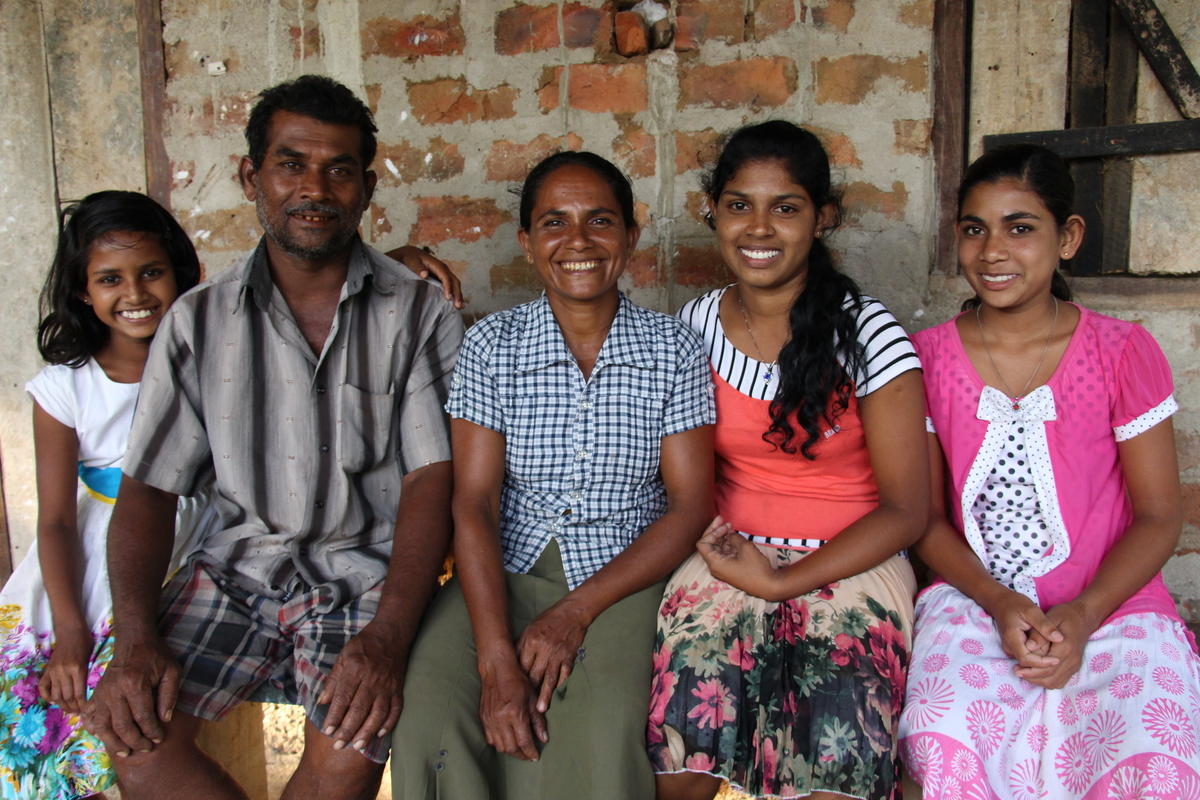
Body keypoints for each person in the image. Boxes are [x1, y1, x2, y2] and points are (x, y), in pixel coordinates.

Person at [81, 75, 463, 800]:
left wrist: (386, 637)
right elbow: (149, 488)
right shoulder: (197, 323)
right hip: (234, 571)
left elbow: (430, 481)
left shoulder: (419, 315)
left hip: (363, 577)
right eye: (291, 163)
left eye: (338, 169)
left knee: (347, 756)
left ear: (367, 187)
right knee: (136, 744)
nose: (313, 187)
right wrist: (134, 638)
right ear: (251, 175)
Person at [390, 151, 716, 799]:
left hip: (622, 579)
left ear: (630, 235)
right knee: (431, 708)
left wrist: (573, 613)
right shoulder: (494, 346)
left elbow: (689, 506)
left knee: (602, 729)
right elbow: (475, 503)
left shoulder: (670, 349)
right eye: (553, 223)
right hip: (501, 570)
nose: (577, 242)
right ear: (527, 242)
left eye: (599, 221)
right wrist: (493, 659)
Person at [898, 144, 1200, 797]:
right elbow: (922, 519)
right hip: (976, 598)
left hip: (1114, 603)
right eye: (974, 229)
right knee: (939, 728)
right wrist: (1000, 601)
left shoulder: (1121, 352)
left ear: (1068, 237)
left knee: (1154, 741)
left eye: (1021, 227)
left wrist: (1087, 614)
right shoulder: (926, 360)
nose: (993, 250)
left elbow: (1158, 516)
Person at [648, 121, 929, 800]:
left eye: (787, 208)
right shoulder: (695, 329)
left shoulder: (867, 334)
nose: (759, 229)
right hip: (725, 551)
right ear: (710, 212)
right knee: (686, 735)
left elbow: (908, 509)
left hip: (852, 557)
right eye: (740, 205)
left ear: (822, 218)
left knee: (837, 733)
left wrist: (782, 581)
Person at [0, 191, 211, 799]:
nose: (136, 293)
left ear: (180, 273)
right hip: (90, 566)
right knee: (44, 709)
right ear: (81, 292)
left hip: (186, 545)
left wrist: (403, 256)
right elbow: (58, 524)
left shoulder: (211, 355)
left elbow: (297, 283)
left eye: (151, 272)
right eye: (110, 279)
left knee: (127, 719)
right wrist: (70, 631)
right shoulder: (65, 389)